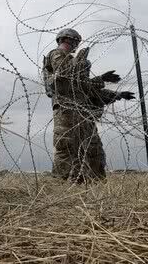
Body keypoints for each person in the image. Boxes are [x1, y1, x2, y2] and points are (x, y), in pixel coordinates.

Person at [44, 28, 134, 182]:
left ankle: (93, 180)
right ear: (65, 39)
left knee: (92, 147)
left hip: (82, 111)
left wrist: (114, 92)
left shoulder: (74, 61)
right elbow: (64, 74)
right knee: (67, 146)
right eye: (74, 42)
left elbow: (85, 88)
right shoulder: (56, 54)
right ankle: (62, 182)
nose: (75, 45)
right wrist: (80, 60)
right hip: (66, 110)